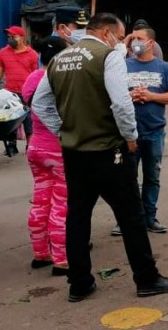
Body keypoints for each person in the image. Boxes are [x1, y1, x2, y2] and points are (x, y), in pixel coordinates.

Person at [31, 12, 168, 302]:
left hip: (74, 152)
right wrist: (131, 137)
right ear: (107, 32)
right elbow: (121, 102)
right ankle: (147, 278)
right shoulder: (107, 55)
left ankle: (79, 282)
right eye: (120, 35)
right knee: (131, 217)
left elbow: (40, 102)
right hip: (108, 150)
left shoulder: (62, 57)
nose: (122, 43)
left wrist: (64, 132)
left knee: (77, 217)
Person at [111, 27, 168, 236]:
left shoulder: (164, 67)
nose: (134, 43)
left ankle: (149, 217)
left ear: (151, 43)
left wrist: (150, 96)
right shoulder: (122, 65)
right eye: (132, 39)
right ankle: (125, 220)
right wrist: (131, 95)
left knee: (152, 178)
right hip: (129, 133)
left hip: (155, 132)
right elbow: (113, 94)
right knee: (127, 179)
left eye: (139, 39)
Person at [22, 36, 69, 276]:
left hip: (36, 148)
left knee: (41, 199)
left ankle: (40, 253)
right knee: (61, 204)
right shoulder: (60, 78)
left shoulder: (31, 78)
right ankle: (61, 258)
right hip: (59, 149)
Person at [0, 26, 38, 156]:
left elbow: (35, 75)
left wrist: (35, 91)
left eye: (13, 36)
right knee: (9, 119)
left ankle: (30, 145)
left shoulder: (32, 54)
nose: (10, 39)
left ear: (22, 38)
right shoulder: (3, 53)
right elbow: (0, 72)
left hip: (27, 92)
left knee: (28, 119)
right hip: (10, 93)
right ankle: (11, 145)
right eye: (9, 37)